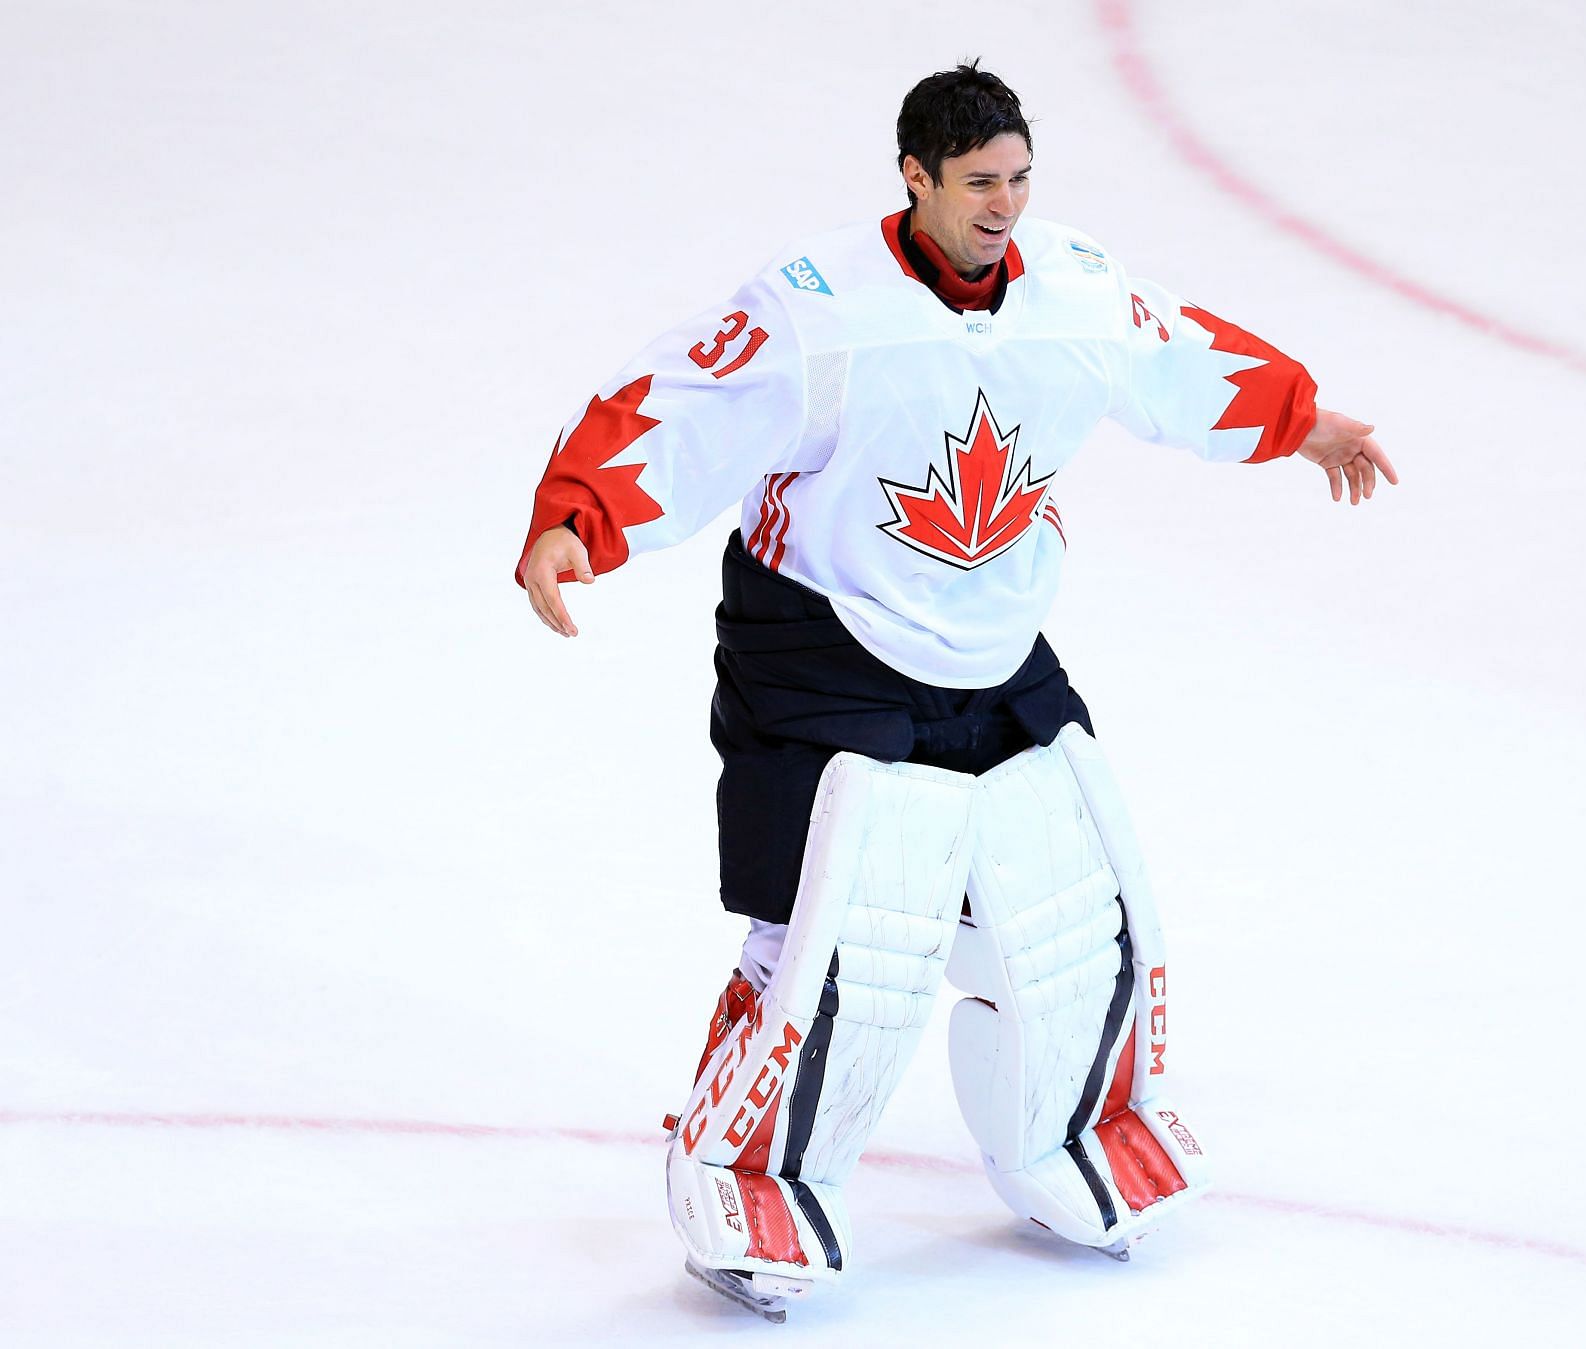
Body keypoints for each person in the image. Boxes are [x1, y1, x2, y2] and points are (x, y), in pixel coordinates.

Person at [516, 62, 1395, 1319]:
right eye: (980, 182)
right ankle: (745, 1167)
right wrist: (574, 521)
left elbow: (1180, 356)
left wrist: (1308, 422)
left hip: (991, 633)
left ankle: (1063, 1133)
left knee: (1068, 894)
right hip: (819, 639)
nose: (1005, 206)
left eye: (1021, 180)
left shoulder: (1073, 293)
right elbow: (679, 401)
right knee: (846, 921)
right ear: (914, 177)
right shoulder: (817, 309)